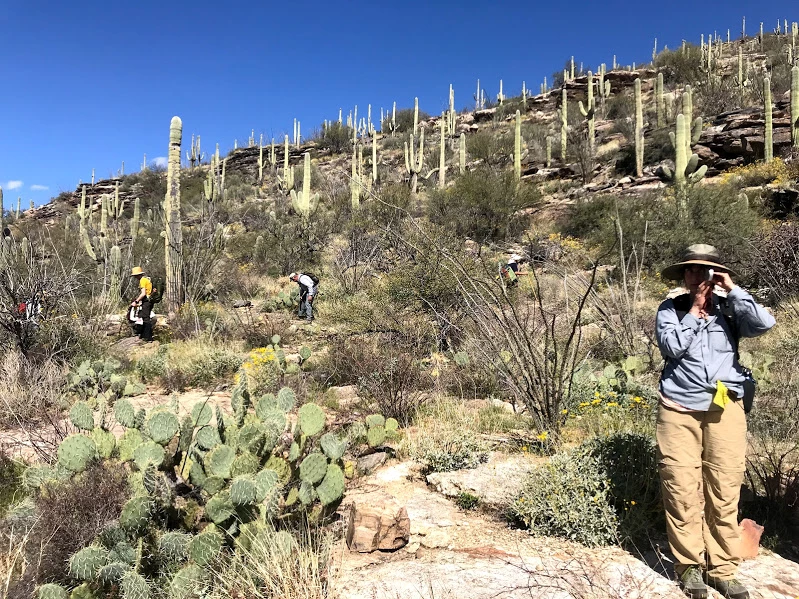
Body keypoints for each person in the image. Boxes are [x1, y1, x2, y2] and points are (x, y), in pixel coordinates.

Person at [655, 244, 775, 599]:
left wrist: (733, 288)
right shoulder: (671, 309)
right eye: (691, 270)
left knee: (724, 487)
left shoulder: (731, 309)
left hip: (726, 406)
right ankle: (690, 566)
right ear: (683, 275)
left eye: (705, 270)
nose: (698, 276)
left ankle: (723, 569)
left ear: (716, 273)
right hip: (678, 406)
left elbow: (763, 324)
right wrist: (694, 311)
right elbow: (670, 346)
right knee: (681, 485)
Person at [130, 267, 154, 342]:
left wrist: (136, 301)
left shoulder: (142, 281)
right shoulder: (147, 279)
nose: (135, 277)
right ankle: (145, 336)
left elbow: (143, 293)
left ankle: (148, 338)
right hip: (150, 300)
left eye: (135, 275)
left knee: (145, 319)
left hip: (146, 301)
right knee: (145, 317)